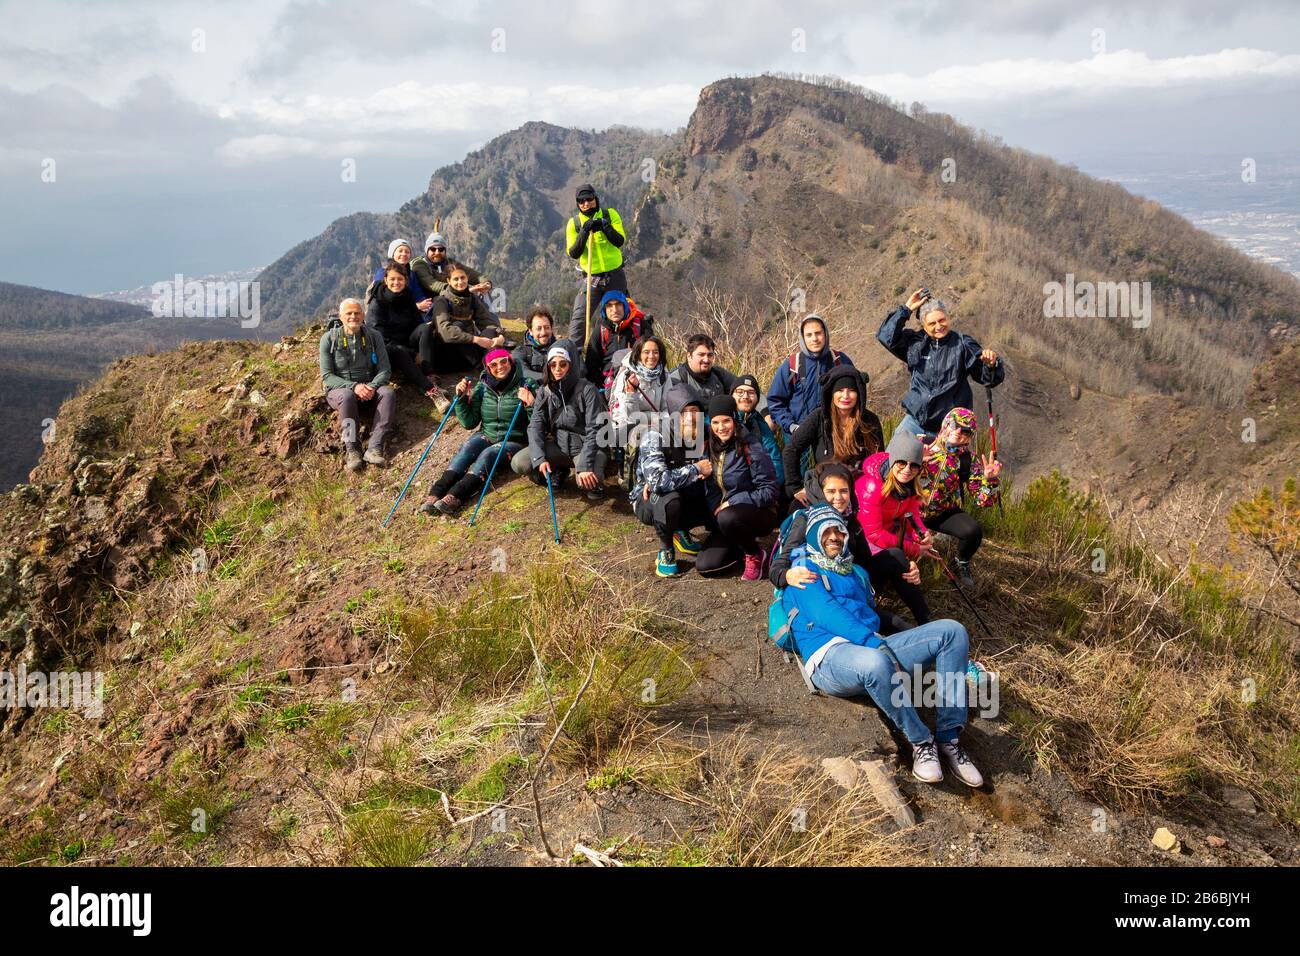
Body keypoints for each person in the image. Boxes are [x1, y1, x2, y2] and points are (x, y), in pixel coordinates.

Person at [782, 507, 984, 787]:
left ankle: (949, 737)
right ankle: (921, 741)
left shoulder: (855, 572)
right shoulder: (803, 570)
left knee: (952, 631)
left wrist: (909, 572)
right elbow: (827, 613)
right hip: (830, 656)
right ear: (813, 537)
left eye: (837, 530)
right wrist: (876, 643)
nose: (833, 537)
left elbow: (871, 614)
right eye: (824, 531)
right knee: (876, 661)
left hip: (871, 645)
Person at [767, 461, 913, 635]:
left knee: (895, 556)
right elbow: (777, 567)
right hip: (824, 596)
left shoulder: (851, 520)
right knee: (893, 626)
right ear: (821, 492)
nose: (838, 497)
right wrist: (787, 575)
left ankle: (926, 622)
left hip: (849, 587)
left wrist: (904, 566)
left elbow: (864, 563)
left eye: (844, 491)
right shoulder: (806, 521)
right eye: (831, 491)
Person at [877, 288, 1004, 440]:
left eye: (942, 320)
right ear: (923, 325)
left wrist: (991, 365)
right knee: (895, 458)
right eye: (932, 323)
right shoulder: (915, 343)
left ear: (948, 318)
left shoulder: (962, 344)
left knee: (947, 464)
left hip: (951, 428)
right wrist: (906, 309)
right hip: (915, 422)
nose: (938, 326)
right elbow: (886, 336)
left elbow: (987, 378)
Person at [419, 349, 533, 516]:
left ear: (511, 362)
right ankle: (436, 492)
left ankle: (456, 496)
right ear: (487, 368)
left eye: (504, 361)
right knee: (467, 447)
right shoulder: (483, 386)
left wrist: (531, 404)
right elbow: (469, 422)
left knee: (488, 454)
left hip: (515, 439)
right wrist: (462, 398)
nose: (500, 367)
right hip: (487, 434)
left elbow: (538, 422)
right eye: (493, 364)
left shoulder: (526, 384)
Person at [628, 387, 714, 577]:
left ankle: (680, 531)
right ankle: (666, 550)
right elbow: (659, 482)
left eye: (696, 412)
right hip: (648, 500)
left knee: (709, 491)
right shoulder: (654, 435)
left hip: (685, 492)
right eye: (685, 413)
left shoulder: (704, 433)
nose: (692, 417)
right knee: (669, 496)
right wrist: (696, 469)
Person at [694, 395, 781, 580]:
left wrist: (733, 501)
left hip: (758, 513)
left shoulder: (750, 445)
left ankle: (755, 554)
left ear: (734, 418)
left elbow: (770, 491)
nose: (721, 427)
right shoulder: (707, 447)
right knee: (706, 566)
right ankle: (740, 545)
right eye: (716, 422)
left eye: (726, 421)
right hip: (724, 518)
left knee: (728, 517)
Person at [854, 431, 935, 626]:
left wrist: (922, 534)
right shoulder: (872, 486)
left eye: (914, 465)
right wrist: (913, 548)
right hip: (863, 547)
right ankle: (925, 620)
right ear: (892, 460)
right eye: (902, 462)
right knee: (897, 557)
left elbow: (913, 513)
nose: (907, 469)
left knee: (899, 557)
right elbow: (872, 534)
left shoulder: (908, 485)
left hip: (886, 539)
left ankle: (925, 621)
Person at [512, 346, 609, 501]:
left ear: (571, 365)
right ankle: (558, 470)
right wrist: (539, 459)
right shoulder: (545, 391)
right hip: (560, 446)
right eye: (553, 365)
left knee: (588, 482)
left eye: (563, 364)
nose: (557, 369)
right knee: (520, 462)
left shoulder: (588, 389)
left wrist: (584, 465)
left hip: (585, 447)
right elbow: (535, 426)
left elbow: (595, 429)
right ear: (548, 367)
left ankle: (595, 470)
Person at [918, 407, 1002, 586]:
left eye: (965, 431)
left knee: (972, 532)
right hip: (910, 510)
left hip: (943, 513)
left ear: (970, 436)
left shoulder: (967, 460)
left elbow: (982, 500)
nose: (958, 432)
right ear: (946, 423)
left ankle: (961, 562)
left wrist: (990, 481)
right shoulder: (921, 444)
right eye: (955, 425)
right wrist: (917, 458)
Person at [782, 365, 883, 505]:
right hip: (824, 487)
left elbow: (878, 459)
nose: (845, 396)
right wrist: (795, 488)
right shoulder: (819, 418)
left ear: (859, 393)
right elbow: (791, 449)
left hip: (860, 488)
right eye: (840, 390)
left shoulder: (870, 420)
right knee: (797, 509)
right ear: (831, 393)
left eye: (852, 391)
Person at [319, 297, 395, 472]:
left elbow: (385, 369)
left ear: (363, 315)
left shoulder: (374, 336)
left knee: (388, 393)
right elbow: (327, 375)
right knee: (346, 396)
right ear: (341, 316)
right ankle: (352, 449)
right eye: (349, 313)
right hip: (340, 390)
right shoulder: (328, 339)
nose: (353, 316)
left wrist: (373, 386)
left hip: (369, 387)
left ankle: (375, 447)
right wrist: (354, 387)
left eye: (357, 313)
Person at [365, 260, 449, 411]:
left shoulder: (407, 295)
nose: (396, 282)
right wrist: (412, 353)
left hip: (406, 341)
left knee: (425, 328)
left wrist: (421, 344)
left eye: (400, 279)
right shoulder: (377, 301)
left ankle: (429, 375)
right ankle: (432, 391)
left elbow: (417, 322)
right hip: (388, 349)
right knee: (399, 350)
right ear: (385, 280)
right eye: (392, 279)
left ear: (406, 280)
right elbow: (380, 338)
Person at [767, 313, 854, 435]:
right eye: (809, 335)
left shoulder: (839, 360)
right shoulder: (791, 365)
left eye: (818, 333)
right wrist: (791, 426)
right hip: (798, 436)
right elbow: (775, 402)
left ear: (825, 334)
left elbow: (855, 393)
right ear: (803, 337)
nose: (814, 339)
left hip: (835, 434)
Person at [565, 184, 627, 344]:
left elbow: (619, 241)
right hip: (591, 278)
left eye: (589, 199)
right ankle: (575, 355)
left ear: (595, 198)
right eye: (581, 201)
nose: (586, 204)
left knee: (621, 316)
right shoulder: (574, 224)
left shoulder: (610, 214)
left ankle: (622, 352)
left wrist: (605, 227)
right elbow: (574, 253)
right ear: (577, 204)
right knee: (580, 317)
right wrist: (584, 232)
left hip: (615, 277)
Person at [431, 264, 506, 372]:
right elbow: (445, 332)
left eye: (463, 278)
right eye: (456, 279)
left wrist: (499, 334)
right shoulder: (442, 300)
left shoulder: (472, 298)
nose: (460, 282)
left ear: (467, 278)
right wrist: (475, 339)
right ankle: (482, 368)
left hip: (470, 351)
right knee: (458, 326)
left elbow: (486, 320)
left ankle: (493, 365)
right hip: (449, 354)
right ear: (448, 281)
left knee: (489, 331)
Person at [583, 289, 645, 388]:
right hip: (608, 384)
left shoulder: (640, 326)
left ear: (625, 306)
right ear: (604, 310)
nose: (615, 310)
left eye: (618, 304)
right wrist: (601, 388)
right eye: (609, 306)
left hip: (637, 382)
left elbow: (653, 355)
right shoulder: (600, 331)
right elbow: (591, 366)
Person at [731, 374, 784, 490]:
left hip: (758, 486)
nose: (745, 396)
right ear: (732, 395)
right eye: (740, 392)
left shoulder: (759, 423)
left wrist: (774, 486)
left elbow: (773, 458)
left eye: (751, 392)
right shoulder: (722, 419)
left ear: (757, 398)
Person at [410, 231, 493, 302]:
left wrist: (486, 283)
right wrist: (465, 288)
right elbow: (433, 285)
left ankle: (489, 320)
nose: (437, 252)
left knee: (484, 292)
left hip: (455, 296)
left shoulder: (449, 262)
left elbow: (471, 274)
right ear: (427, 250)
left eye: (441, 249)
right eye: (433, 249)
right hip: (434, 302)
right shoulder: (420, 265)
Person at [665, 333, 739, 407]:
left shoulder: (719, 374)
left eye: (710, 355)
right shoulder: (675, 379)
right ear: (689, 356)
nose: (706, 360)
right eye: (701, 355)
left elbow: (741, 387)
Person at [372, 239, 433, 314]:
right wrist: (416, 306)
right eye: (400, 251)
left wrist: (427, 304)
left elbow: (418, 293)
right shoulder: (383, 273)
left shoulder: (411, 274)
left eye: (407, 252)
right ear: (393, 254)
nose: (404, 254)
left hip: (411, 313)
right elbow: (384, 299)